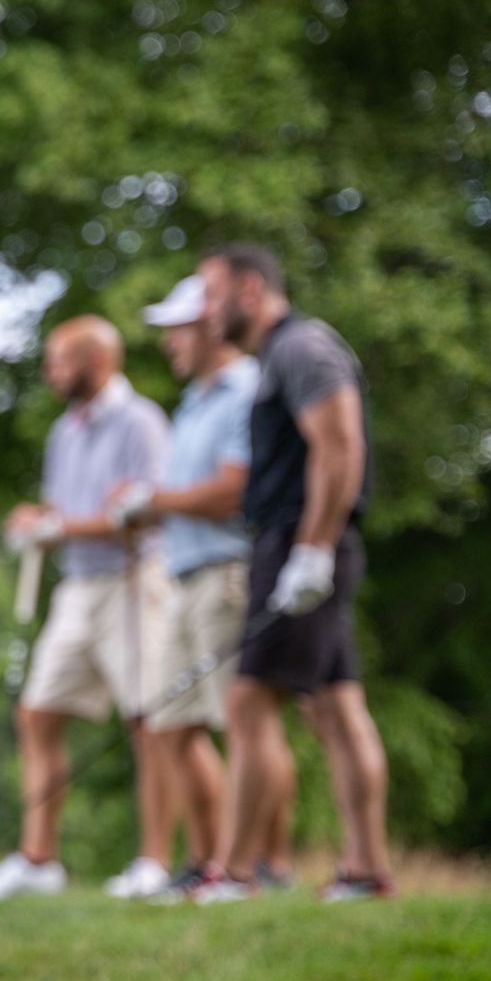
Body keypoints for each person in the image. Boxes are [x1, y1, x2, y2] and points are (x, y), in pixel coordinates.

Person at [188, 245, 393, 903]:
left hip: (301, 541)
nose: (204, 311)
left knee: (248, 702)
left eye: (211, 295)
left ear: (249, 290)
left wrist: (313, 549)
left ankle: (236, 873)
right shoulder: (277, 355)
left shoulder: (301, 346)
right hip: (299, 543)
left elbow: (340, 443)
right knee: (337, 707)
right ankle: (366, 870)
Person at [108, 275, 288, 900]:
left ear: (209, 327)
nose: (167, 344)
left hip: (228, 572)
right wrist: (143, 508)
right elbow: (186, 495)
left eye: (176, 330)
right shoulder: (193, 400)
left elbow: (233, 490)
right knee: (171, 724)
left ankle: (263, 863)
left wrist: (153, 499)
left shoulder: (245, 391)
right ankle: (207, 858)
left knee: (246, 723)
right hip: (183, 576)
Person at [0, 316, 171, 901]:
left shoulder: (141, 421)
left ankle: (155, 862)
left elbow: (153, 509)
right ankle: (39, 860)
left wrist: (57, 526)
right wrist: (37, 519)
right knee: (37, 714)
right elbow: (66, 509)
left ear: (94, 362)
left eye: (59, 360)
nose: (49, 371)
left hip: (133, 581)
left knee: (150, 722)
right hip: (77, 588)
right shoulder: (65, 430)